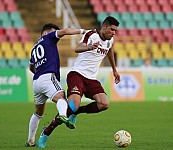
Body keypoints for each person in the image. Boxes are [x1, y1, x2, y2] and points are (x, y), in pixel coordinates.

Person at [36, 16, 121, 148]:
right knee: (72, 106)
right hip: (77, 75)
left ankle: (76, 112)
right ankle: (46, 132)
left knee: (104, 104)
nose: (113, 33)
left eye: (115, 30)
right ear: (104, 27)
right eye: (111, 29)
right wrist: (90, 47)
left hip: (91, 79)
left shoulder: (110, 41)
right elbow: (78, 48)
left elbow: (110, 51)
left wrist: (114, 70)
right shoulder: (91, 35)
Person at [25, 23, 85, 147]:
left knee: (38, 112)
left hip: (36, 81)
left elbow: (31, 67)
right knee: (61, 98)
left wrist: (40, 73)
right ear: (46, 32)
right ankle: (63, 115)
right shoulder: (48, 37)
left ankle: (30, 140)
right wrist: (83, 31)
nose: (57, 35)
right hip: (48, 77)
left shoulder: (34, 48)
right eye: (54, 32)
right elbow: (65, 31)